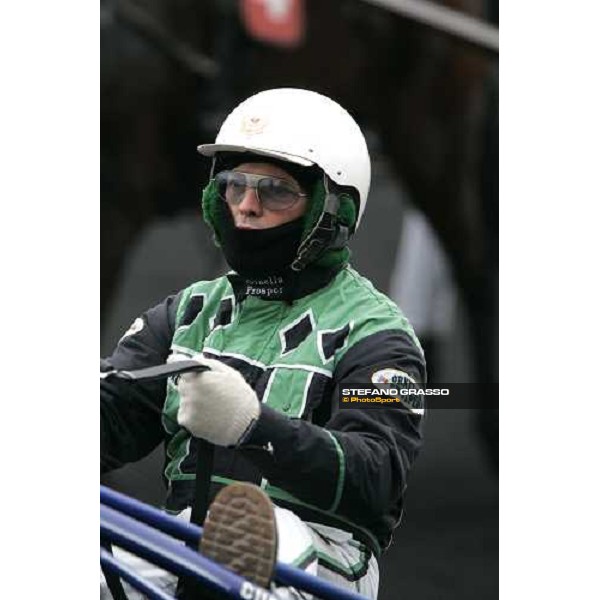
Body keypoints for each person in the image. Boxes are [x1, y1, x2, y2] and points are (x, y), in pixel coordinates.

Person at [101, 88, 426, 599]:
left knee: (271, 547)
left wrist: (253, 427)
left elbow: (375, 476)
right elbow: (110, 414)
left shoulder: (380, 338)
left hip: (322, 558)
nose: (247, 207)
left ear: (329, 210)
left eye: (275, 191)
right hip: (184, 540)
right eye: (234, 186)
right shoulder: (187, 312)